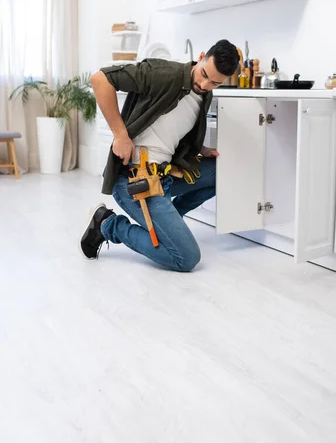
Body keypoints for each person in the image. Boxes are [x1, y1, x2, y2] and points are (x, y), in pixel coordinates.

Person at [80, 39, 240, 272]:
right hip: (134, 181)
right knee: (186, 258)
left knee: (221, 170)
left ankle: (170, 220)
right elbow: (100, 79)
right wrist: (120, 135)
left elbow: (171, 132)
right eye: (204, 74)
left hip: (165, 176)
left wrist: (200, 149)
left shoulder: (204, 95)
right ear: (202, 56)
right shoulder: (164, 74)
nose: (205, 84)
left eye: (215, 82)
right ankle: (107, 224)